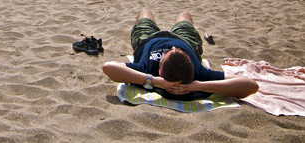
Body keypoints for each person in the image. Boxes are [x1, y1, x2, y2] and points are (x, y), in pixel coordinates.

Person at [102, 9, 258, 100]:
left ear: (160, 71)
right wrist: (200, 85)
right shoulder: (199, 73)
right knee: (184, 15)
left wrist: (153, 81)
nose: (174, 48)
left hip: (148, 39)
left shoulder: (146, 69)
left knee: (145, 12)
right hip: (186, 41)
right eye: (176, 52)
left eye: (171, 52)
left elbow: (109, 67)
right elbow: (250, 85)